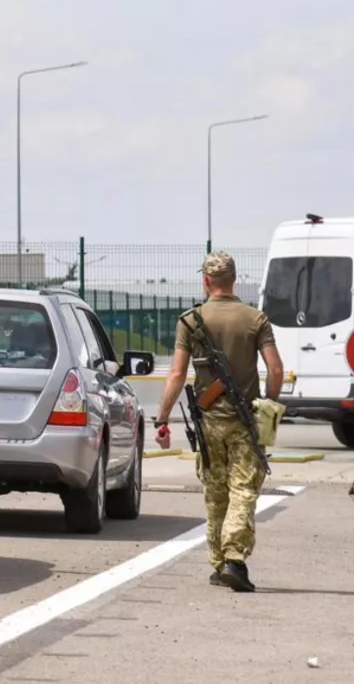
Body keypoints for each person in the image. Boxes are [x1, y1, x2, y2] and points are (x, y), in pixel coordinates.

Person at [154, 251, 284, 593]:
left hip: (208, 420)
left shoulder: (190, 320)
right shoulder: (256, 319)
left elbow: (178, 374)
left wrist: (162, 419)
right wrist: (270, 404)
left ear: (206, 281)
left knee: (215, 492)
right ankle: (234, 559)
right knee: (243, 488)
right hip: (245, 421)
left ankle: (218, 563)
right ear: (234, 279)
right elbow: (275, 369)